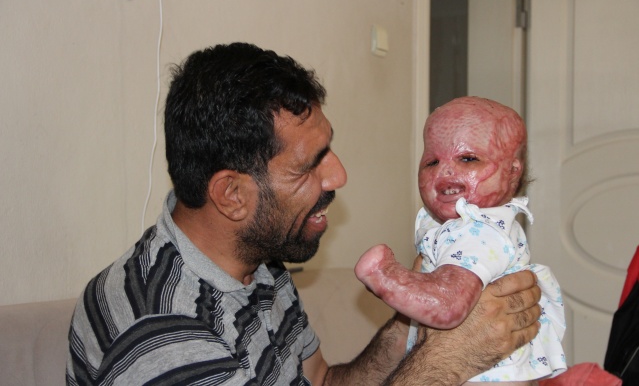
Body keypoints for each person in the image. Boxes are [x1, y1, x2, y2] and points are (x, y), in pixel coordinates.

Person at [66, 44, 542, 385]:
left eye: (328, 149)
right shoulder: (163, 334)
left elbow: (324, 381)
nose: (339, 175)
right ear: (232, 195)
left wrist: (411, 322)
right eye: (310, 165)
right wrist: (447, 360)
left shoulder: (258, 259)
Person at [355, 97, 566, 385]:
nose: (444, 170)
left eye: (467, 158)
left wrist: (385, 274)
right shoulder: (463, 226)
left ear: (512, 172)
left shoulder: (478, 231)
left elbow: (447, 305)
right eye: (431, 161)